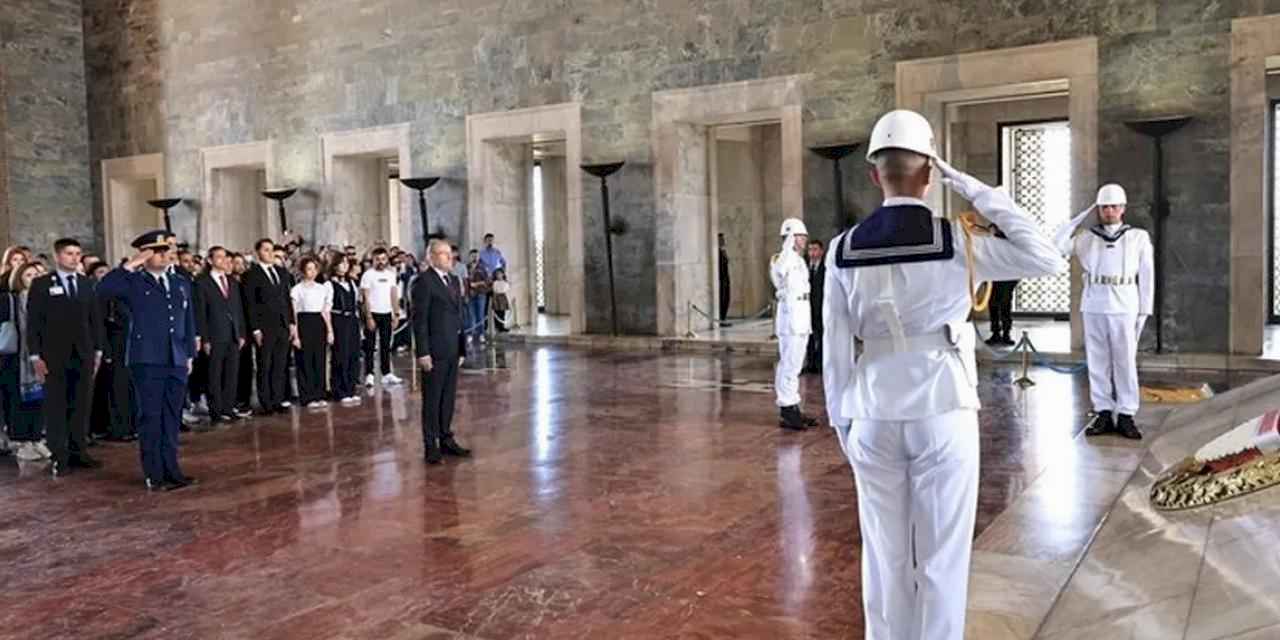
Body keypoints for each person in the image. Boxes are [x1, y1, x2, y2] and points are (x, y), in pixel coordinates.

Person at [823, 109, 1066, 639]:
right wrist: (975, 188)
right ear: (931, 173)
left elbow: (835, 351)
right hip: (942, 405)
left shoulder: (843, 249)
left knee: (884, 557)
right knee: (941, 559)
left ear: (873, 174)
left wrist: (844, 423)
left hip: (871, 410)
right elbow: (1046, 256)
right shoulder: (955, 241)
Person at [98, 230, 199, 491]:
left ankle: (172, 469)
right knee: (151, 417)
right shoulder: (133, 282)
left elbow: (188, 321)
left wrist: (188, 354)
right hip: (147, 358)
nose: (166, 255)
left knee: (171, 416)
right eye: (159, 251)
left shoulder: (179, 283)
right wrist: (131, 264)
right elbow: (103, 289)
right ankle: (154, 473)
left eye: (167, 251)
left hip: (175, 357)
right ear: (145, 253)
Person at [1054, 184, 1153, 440]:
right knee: (1097, 361)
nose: (1109, 211)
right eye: (1104, 207)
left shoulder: (1138, 237)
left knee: (1125, 360)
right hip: (1094, 302)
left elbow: (1147, 275)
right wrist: (1073, 220)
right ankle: (1103, 411)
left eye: (1113, 206)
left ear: (1123, 208)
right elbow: (1057, 246)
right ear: (1098, 209)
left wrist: (1144, 309)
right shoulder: (1086, 237)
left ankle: (1127, 413)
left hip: (1125, 303)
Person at [27, 238, 103, 477]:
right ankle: (59, 455)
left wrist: (98, 349)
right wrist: (35, 355)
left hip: (83, 353)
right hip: (53, 355)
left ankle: (79, 451)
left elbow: (95, 319)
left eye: (77, 253)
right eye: (69, 253)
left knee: (81, 403)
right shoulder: (41, 284)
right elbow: (33, 323)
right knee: (56, 406)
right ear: (58, 256)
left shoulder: (86, 283)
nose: (74, 257)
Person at [412, 239, 470, 464]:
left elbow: (459, 316)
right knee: (432, 399)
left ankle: (446, 437)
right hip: (434, 350)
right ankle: (431, 444)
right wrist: (423, 352)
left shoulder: (454, 281)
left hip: (452, 348)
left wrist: (462, 346)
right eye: (445, 254)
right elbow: (420, 321)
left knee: (448, 398)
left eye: (451, 254)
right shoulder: (424, 282)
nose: (450, 257)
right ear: (432, 257)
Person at [771, 218, 817, 431]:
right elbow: (779, 271)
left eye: (804, 236)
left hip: (801, 315)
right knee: (788, 364)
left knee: (796, 363)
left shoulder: (798, 260)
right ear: (790, 237)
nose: (804, 240)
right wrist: (787, 248)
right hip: (790, 317)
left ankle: (793, 406)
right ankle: (787, 409)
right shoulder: (783, 258)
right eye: (800, 236)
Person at [194, 246, 248, 424]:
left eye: (225, 257)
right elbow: (200, 313)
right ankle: (216, 411)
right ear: (210, 260)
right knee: (214, 375)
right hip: (215, 335)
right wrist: (205, 338)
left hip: (233, 335)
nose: (224, 261)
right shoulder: (202, 282)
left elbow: (238, 309)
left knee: (232, 374)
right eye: (219, 257)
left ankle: (228, 407)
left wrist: (241, 333)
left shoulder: (232, 281)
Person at [242, 238, 296, 414]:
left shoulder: (281, 272)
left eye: (271, 250)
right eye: (266, 250)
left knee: (280, 364)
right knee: (265, 364)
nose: (270, 253)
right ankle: (266, 402)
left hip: (282, 325)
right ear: (258, 252)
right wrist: (255, 329)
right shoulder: (251, 274)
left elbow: (286, 299)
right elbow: (250, 304)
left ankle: (278, 399)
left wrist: (291, 323)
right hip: (265, 327)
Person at [6, 263, 50, 461]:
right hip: (20, 358)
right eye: (29, 275)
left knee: (40, 399)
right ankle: (23, 441)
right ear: (20, 278)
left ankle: (36, 438)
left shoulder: (49, 298)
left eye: (39, 274)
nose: (34, 278)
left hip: (46, 353)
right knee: (22, 400)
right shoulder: (14, 300)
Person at [290, 257, 333, 409]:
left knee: (319, 360)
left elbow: (325, 312)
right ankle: (307, 396)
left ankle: (319, 394)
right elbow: (294, 314)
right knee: (305, 360)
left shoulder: (322, 288)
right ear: (302, 271)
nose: (312, 272)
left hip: (318, 323)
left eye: (314, 269)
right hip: (304, 322)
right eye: (309, 269)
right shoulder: (297, 290)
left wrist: (329, 331)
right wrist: (295, 335)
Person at [360, 247, 402, 387]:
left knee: (386, 345)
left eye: (383, 259)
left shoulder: (391, 275)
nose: (381, 262)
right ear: (373, 260)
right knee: (370, 346)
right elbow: (365, 297)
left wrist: (396, 314)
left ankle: (386, 373)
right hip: (373, 313)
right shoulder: (367, 275)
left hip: (387, 313)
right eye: (377, 259)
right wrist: (369, 316)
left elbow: (393, 294)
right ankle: (369, 374)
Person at [328, 259, 362, 405]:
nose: (345, 266)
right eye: (342, 263)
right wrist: (329, 330)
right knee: (340, 355)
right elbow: (327, 308)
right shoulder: (329, 285)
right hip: (338, 320)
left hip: (352, 320)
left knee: (353, 354)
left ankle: (350, 388)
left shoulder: (351, 283)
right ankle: (339, 390)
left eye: (346, 264)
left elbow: (355, 304)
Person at [985, 222, 1019, 347]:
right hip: (993, 278)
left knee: (1005, 305)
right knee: (993, 306)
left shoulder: (1009, 241)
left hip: (1006, 278)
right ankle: (995, 333)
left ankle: (1006, 333)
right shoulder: (991, 241)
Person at [230, 253, 255, 415]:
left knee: (247, 366)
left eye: (242, 263)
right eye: (236, 263)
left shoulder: (247, 281)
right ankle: (234, 400)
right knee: (234, 367)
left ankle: (245, 400)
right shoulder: (229, 283)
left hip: (247, 329)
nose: (239, 266)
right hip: (233, 330)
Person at [803, 239, 826, 374]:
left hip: (821, 308)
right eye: (810, 249)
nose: (812, 253)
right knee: (809, 338)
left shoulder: (826, 269)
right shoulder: (804, 268)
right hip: (807, 309)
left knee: (822, 337)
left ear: (821, 251)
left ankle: (820, 363)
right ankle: (810, 363)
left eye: (815, 249)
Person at [465, 250, 490, 339]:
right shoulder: (467, 267)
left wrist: (478, 284)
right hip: (470, 294)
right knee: (470, 315)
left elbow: (488, 281)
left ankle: (481, 334)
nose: (474, 258)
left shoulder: (483, 267)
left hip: (480, 293)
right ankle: (470, 333)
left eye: (476, 256)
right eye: (472, 256)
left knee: (480, 314)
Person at [718, 233, 731, 322]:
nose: (723, 241)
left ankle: (723, 317)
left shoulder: (723, 251)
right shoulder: (718, 252)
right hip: (721, 280)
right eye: (721, 240)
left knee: (726, 298)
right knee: (722, 299)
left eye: (723, 240)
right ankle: (721, 318)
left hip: (726, 280)